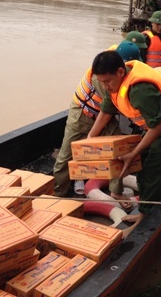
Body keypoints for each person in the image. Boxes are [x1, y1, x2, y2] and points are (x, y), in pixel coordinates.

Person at [88, 51, 161, 232]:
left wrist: (134, 152)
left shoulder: (140, 89)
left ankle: (145, 216)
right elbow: (107, 109)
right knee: (142, 163)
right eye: (101, 82)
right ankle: (147, 201)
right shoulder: (114, 86)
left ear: (120, 72)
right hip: (157, 123)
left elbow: (159, 126)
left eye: (107, 81)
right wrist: (90, 139)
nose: (105, 86)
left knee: (155, 166)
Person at [52, 40, 144, 199]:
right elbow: (110, 106)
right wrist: (91, 136)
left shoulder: (119, 67)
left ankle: (116, 191)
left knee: (119, 150)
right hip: (83, 115)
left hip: (103, 116)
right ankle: (59, 194)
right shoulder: (103, 76)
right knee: (66, 157)